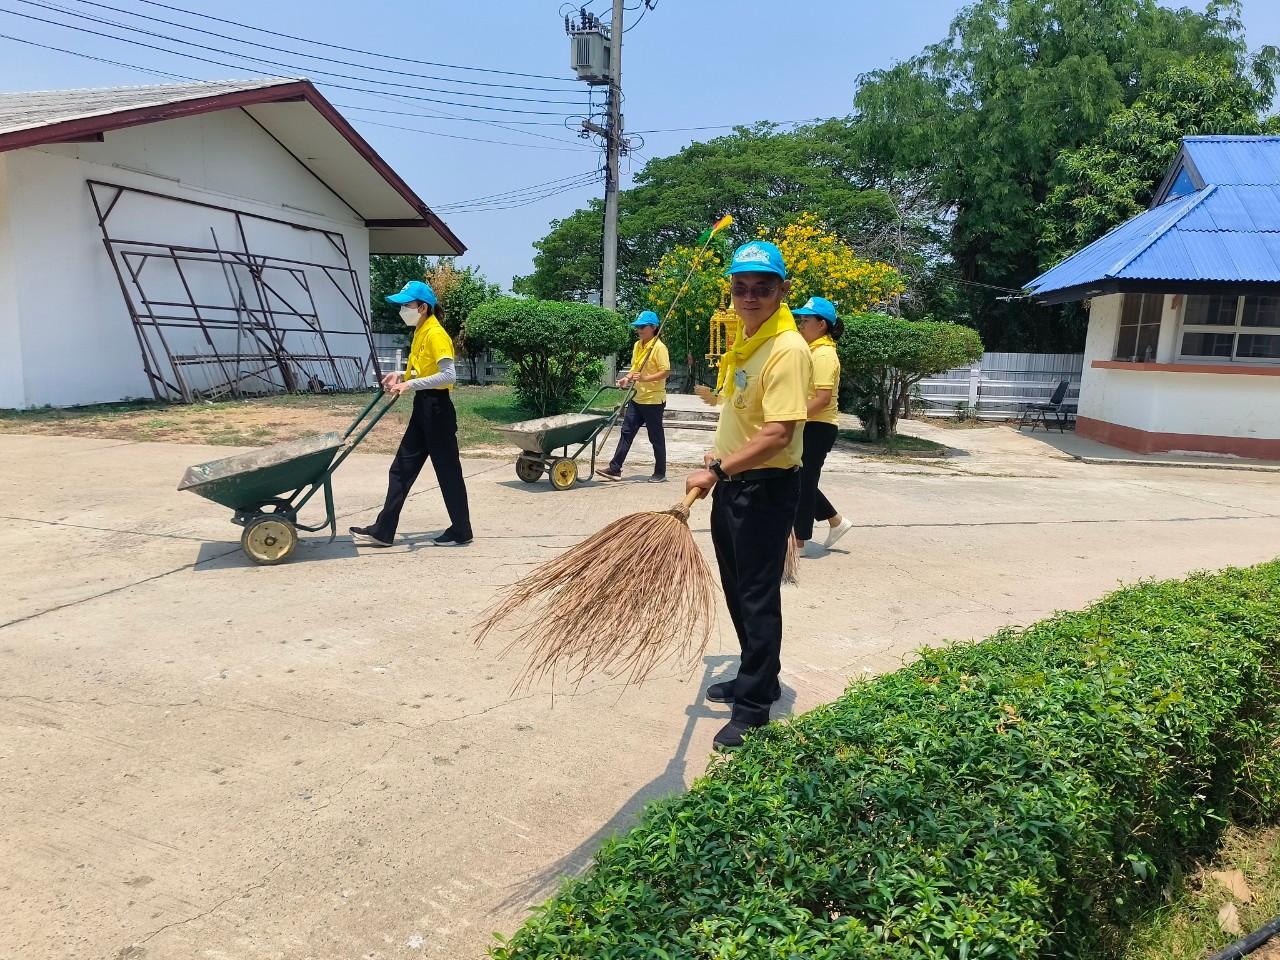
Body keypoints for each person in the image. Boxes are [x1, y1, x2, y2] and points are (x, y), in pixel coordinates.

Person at [684, 240, 813, 751]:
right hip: (736, 487)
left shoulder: (788, 349)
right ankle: (756, 675)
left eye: (762, 288)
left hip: (762, 489)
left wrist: (715, 469)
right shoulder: (752, 341)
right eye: (741, 288)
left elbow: (779, 433)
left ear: (782, 290)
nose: (750, 296)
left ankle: (755, 706)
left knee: (757, 596)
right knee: (739, 589)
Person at [350, 280, 473, 548]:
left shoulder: (435, 334)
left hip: (438, 409)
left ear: (423, 307)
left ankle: (462, 531)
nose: (402, 309)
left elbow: (448, 375)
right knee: (401, 469)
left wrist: (409, 383)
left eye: (407, 304)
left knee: (448, 472)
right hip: (424, 407)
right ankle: (383, 531)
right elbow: (425, 371)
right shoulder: (420, 330)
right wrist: (403, 375)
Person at [791, 296, 855, 559]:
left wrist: (791, 416)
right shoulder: (814, 351)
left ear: (822, 325)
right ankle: (836, 520)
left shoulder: (825, 355)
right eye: (800, 320)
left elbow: (822, 398)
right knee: (798, 479)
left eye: (805, 320)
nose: (800, 325)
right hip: (809, 423)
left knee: (803, 483)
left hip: (818, 426)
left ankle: (800, 542)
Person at [599, 310, 671, 483]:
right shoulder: (638, 345)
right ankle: (615, 468)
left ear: (653, 327)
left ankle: (660, 472)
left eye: (642, 326)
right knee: (626, 432)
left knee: (655, 437)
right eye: (637, 327)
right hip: (637, 397)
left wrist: (646, 378)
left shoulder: (659, 348)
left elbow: (666, 372)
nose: (639, 330)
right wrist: (626, 378)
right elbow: (635, 368)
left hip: (653, 400)